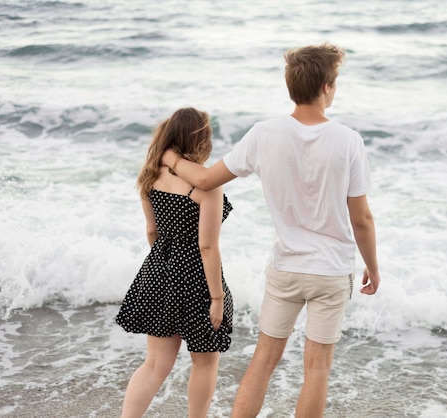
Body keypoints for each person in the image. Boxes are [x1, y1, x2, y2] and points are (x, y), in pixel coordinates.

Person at [163, 43, 380, 418]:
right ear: (327, 87)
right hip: (331, 271)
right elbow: (361, 218)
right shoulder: (348, 140)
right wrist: (372, 268)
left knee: (263, 360)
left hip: (286, 269)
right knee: (317, 369)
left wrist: (171, 158)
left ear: (290, 86)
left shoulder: (264, 134)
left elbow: (206, 178)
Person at [116, 107, 234, 418]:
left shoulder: (150, 175)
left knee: (154, 364)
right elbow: (207, 246)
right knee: (205, 361)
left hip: (160, 269)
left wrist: (166, 265)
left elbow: (152, 231)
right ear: (200, 139)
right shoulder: (205, 185)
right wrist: (217, 297)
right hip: (197, 277)